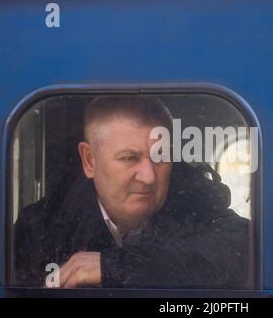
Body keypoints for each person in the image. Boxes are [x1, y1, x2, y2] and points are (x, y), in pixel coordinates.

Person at [14, 95, 251, 289]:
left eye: (160, 156)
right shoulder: (40, 229)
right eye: (129, 158)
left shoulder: (196, 206)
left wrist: (111, 266)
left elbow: (245, 246)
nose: (148, 177)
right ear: (89, 161)